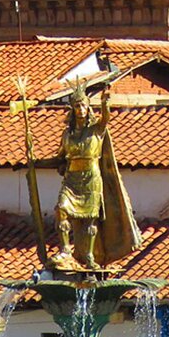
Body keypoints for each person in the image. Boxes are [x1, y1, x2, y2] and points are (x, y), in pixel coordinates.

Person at [48, 83, 141, 270]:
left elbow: (106, 118)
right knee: (61, 209)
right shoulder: (67, 135)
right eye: (77, 106)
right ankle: (65, 250)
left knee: (91, 219)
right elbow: (58, 158)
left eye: (83, 105)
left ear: (88, 107)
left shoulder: (97, 130)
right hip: (72, 179)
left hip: (91, 179)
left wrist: (105, 103)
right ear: (73, 110)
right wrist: (33, 161)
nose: (80, 110)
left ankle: (90, 256)